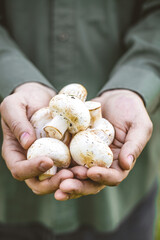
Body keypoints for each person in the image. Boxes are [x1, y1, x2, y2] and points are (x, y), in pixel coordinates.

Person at [0, 0, 160, 239]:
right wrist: (12, 78)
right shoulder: (54, 117)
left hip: (122, 207)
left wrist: (135, 86)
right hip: (9, 203)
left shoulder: (96, 127)